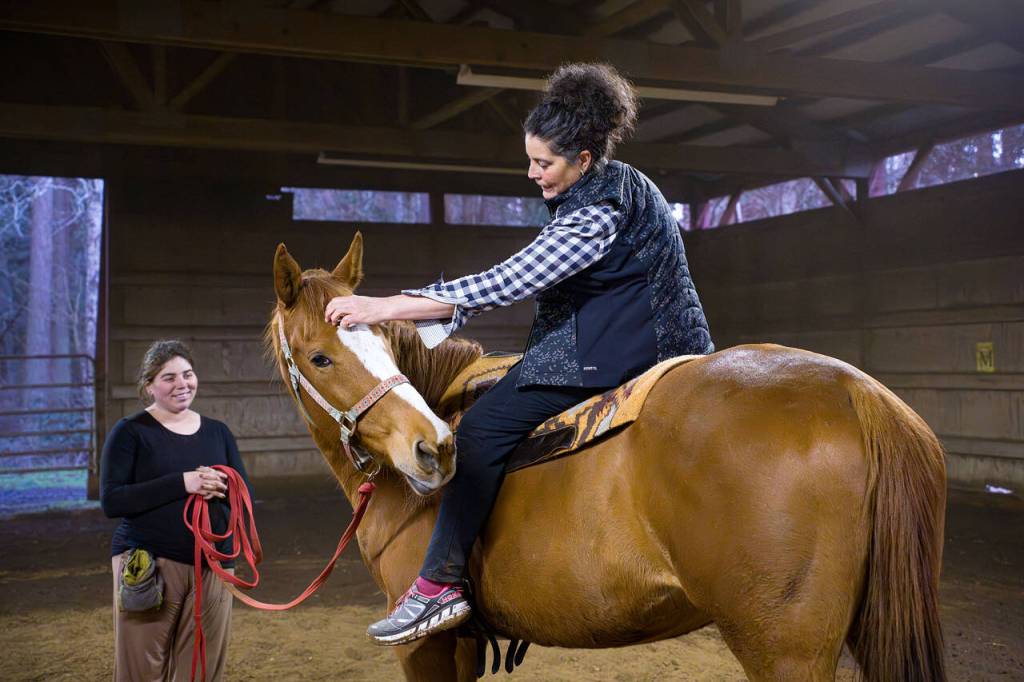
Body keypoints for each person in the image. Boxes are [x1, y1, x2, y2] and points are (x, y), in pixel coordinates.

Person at [323, 63, 714, 645]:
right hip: (673, 344)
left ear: (583, 158)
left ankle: (439, 584)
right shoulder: (623, 181)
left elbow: (505, 281)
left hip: (621, 353)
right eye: (530, 159)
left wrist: (385, 308)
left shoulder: (595, 211)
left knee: (477, 433)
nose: (533, 174)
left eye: (544, 163)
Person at [100, 340, 252, 681]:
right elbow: (113, 500)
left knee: (202, 668)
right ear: (149, 385)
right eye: (169, 377)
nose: (182, 384)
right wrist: (183, 483)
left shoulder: (218, 433)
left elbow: (245, 496)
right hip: (150, 564)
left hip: (213, 565)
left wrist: (222, 486)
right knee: (142, 667)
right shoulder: (131, 432)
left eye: (187, 374)